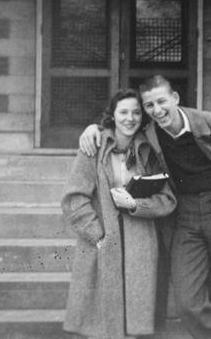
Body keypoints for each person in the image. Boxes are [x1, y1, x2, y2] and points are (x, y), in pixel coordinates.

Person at [79, 75, 211, 339]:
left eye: (162, 101)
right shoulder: (149, 133)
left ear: (175, 98)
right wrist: (93, 129)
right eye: (150, 106)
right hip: (185, 215)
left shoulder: (210, 123)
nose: (158, 110)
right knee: (188, 302)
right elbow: (118, 129)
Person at [62, 88, 176, 339]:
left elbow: (167, 199)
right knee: (100, 324)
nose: (130, 118)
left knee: (135, 324)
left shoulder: (149, 150)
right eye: (123, 112)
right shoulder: (94, 146)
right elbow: (74, 198)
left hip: (140, 244)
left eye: (136, 112)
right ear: (112, 115)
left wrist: (137, 205)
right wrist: (97, 235)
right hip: (103, 242)